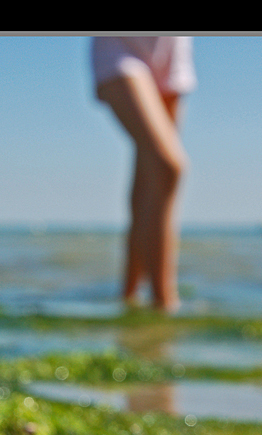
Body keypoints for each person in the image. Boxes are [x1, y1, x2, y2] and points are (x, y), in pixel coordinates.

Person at [91, 36, 196, 313]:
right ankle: (165, 303)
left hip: (172, 47)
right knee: (168, 166)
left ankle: (128, 298)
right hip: (120, 46)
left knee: (151, 176)